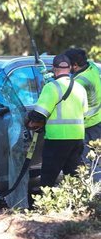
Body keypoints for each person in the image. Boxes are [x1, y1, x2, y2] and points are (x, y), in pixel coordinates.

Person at [26, 54, 88, 187]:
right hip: (77, 138)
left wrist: (30, 121)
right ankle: (77, 205)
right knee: (74, 178)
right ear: (70, 68)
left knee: (48, 178)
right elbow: (85, 112)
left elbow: (39, 114)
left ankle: (44, 206)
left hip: (57, 140)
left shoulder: (51, 87)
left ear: (54, 69)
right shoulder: (80, 88)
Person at [64, 48, 101, 182]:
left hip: (88, 125)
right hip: (97, 121)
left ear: (75, 65)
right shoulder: (93, 68)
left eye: (68, 65)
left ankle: (95, 196)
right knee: (96, 160)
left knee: (90, 164)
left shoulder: (80, 82)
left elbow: (63, 95)